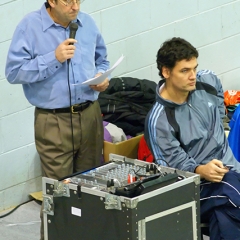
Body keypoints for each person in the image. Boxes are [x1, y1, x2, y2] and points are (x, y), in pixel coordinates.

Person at [5, 0, 110, 239]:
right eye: (68, 1)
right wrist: (53, 58)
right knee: (59, 193)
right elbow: (13, 72)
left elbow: (102, 59)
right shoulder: (29, 27)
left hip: (90, 114)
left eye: (78, 0)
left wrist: (101, 79)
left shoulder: (88, 23)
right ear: (51, 1)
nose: (75, 6)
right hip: (54, 121)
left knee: (92, 189)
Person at [145, 37, 240, 239]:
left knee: (224, 216)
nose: (193, 76)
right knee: (231, 195)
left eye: (194, 68)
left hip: (230, 169)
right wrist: (200, 170)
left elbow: (220, 112)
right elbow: (171, 169)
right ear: (166, 72)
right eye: (184, 70)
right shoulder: (159, 120)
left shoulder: (208, 81)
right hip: (195, 186)